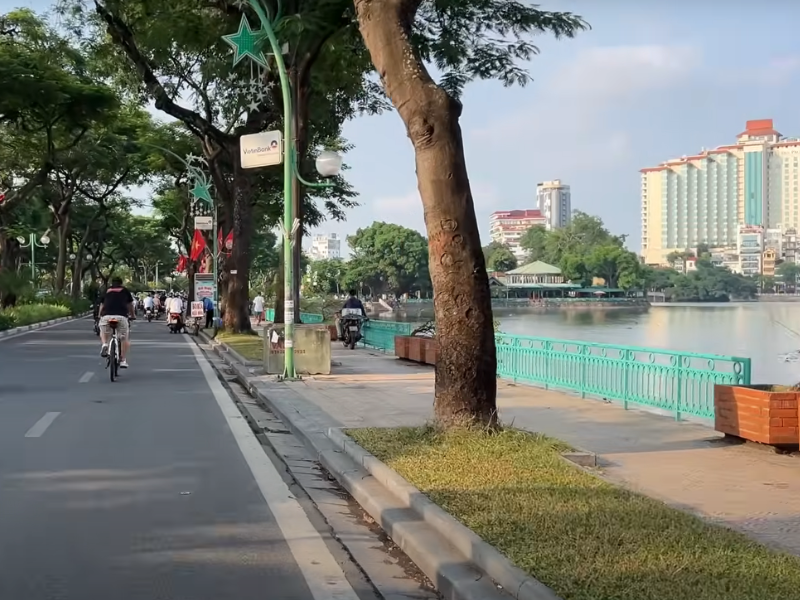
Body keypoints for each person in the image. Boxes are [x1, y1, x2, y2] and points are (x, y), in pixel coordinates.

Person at [99, 276, 134, 368]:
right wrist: (133, 315)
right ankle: (122, 360)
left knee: (103, 331)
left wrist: (100, 315)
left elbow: (102, 304)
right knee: (123, 338)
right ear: (121, 283)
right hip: (121, 316)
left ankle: (105, 344)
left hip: (107, 316)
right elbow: (130, 305)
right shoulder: (125, 290)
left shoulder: (107, 290)